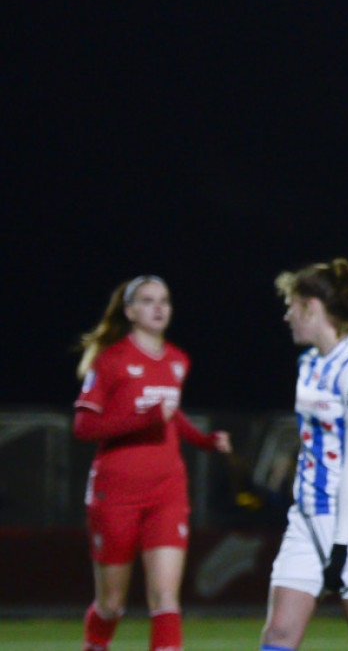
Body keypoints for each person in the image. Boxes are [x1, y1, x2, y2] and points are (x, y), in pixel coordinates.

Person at [74, 275, 233, 651]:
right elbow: (84, 426)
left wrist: (205, 442)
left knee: (165, 598)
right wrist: (144, 417)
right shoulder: (110, 360)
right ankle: (95, 644)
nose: (159, 307)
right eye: (147, 300)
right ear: (130, 311)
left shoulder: (178, 360)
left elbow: (172, 416)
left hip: (167, 490)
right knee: (112, 604)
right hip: (116, 491)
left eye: (164, 300)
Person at [260, 258, 348, 651]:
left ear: (313, 307)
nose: (287, 316)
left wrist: (340, 545)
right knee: (279, 635)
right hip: (306, 515)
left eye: (292, 306)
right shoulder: (309, 364)